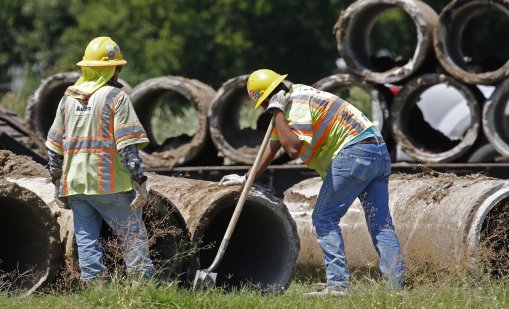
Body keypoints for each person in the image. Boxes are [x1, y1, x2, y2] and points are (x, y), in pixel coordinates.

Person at [220, 69, 405, 295]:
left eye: (263, 103)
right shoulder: (292, 103)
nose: (264, 108)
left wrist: (277, 111)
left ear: (268, 98)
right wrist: (246, 178)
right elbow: (274, 145)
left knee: (324, 217)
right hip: (376, 152)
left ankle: (337, 285)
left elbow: (293, 148)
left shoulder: (296, 104)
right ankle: (396, 289)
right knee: (381, 223)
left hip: (354, 154)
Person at [46, 36, 154, 284]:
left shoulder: (67, 100)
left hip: (75, 185)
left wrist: (56, 182)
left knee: (86, 239)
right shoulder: (116, 98)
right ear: (114, 69)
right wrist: (139, 180)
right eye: (118, 67)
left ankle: (94, 286)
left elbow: (54, 148)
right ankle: (142, 286)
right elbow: (127, 146)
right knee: (133, 235)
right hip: (110, 184)